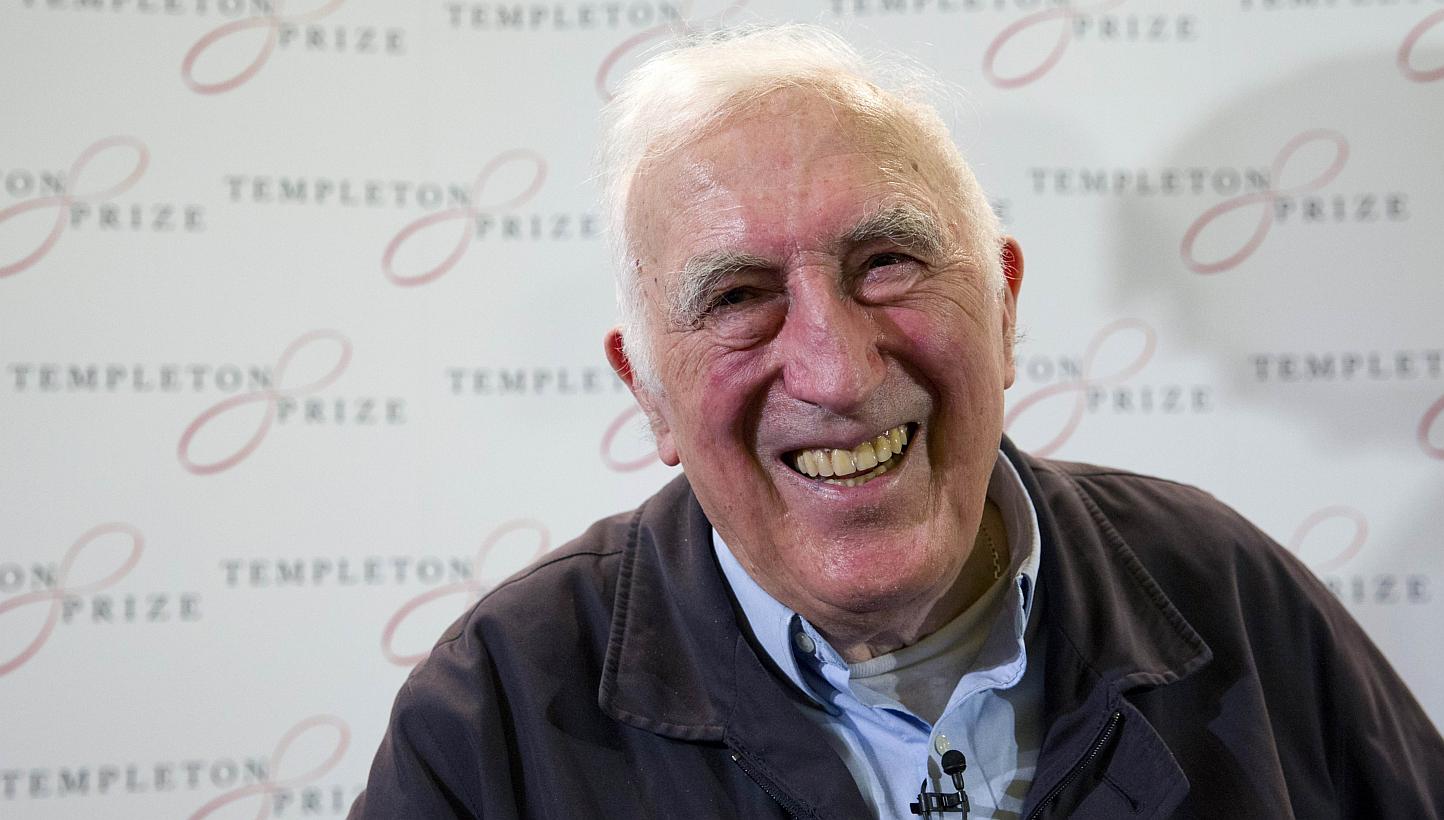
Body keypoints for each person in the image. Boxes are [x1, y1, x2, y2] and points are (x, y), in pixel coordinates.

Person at [350, 25, 1444, 819]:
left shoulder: (1228, 592)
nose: (832, 366)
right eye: (736, 297)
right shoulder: (493, 709)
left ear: (1004, 307)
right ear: (648, 393)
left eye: (887, 263)